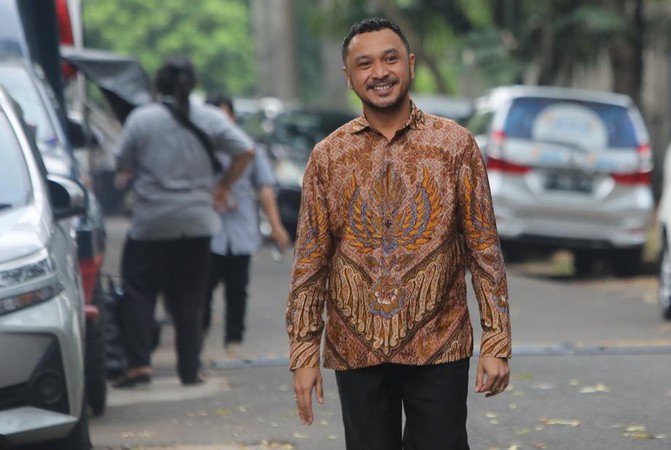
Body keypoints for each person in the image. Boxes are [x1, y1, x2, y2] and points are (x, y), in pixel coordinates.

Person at [286, 18, 512, 449]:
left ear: (409, 64)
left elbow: (484, 249)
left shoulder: (455, 145)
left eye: (390, 59)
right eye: (364, 63)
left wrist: (496, 340)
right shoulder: (327, 157)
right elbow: (311, 261)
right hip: (356, 346)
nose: (380, 72)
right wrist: (303, 352)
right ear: (349, 78)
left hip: (440, 342)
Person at [113, 56, 254, 387]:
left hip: (151, 223)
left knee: (139, 290)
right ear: (193, 83)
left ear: (158, 84)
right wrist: (222, 186)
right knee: (189, 296)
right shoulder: (208, 118)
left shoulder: (141, 119)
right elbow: (245, 151)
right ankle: (189, 370)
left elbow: (122, 163)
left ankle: (138, 365)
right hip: (197, 222)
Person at [202, 95, 291, 358]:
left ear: (232, 118)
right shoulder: (199, 148)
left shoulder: (250, 147)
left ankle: (234, 340)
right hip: (207, 231)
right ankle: (198, 339)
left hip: (240, 231)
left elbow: (264, 188)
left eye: (224, 117)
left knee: (237, 288)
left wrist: (276, 225)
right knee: (203, 289)